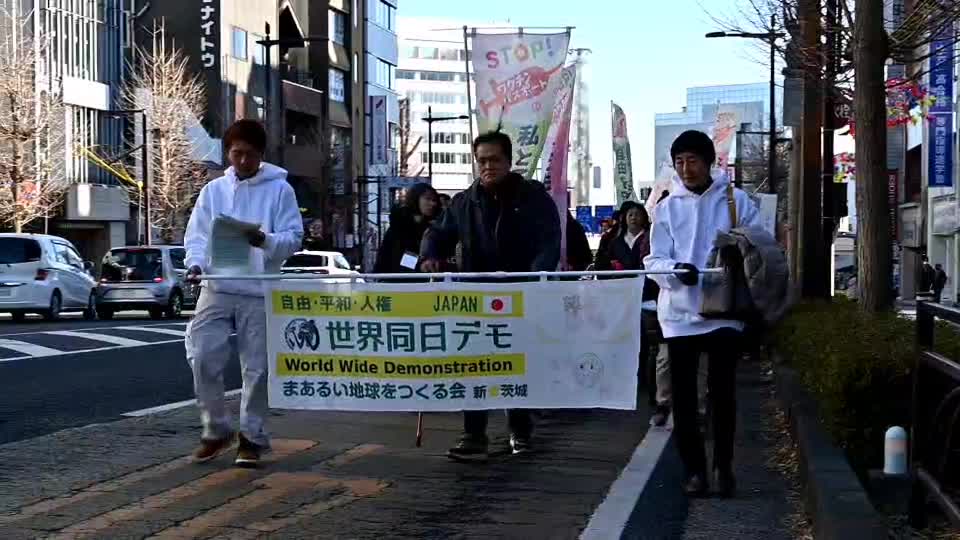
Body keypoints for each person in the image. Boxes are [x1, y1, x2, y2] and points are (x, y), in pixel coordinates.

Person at [420, 131, 561, 461]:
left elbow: (549, 241)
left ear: (509, 162)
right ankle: (474, 434)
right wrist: (429, 256)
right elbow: (437, 233)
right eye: (481, 160)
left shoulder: (533, 197)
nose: (487, 166)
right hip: (475, 297)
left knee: (518, 363)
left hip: (520, 295)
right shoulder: (463, 202)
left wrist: (533, 278)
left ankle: (521, 431)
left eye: (494, 160)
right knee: (474, 365)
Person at [645, 130, 761, 498]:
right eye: (679, 162)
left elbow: (760, 246)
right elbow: (654, 259)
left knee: (723, 393)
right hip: (678, 313)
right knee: (682, 397)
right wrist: (674, 270)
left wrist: (735, 254)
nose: (686, 168)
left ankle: (724, 467)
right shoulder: (666, 207)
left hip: (724, 309)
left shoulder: (737, 200)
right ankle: (694, 470)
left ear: (709, 161)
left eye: (692, 160)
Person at [184, 120, 304, 468]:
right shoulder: (213, 191)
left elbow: (294, 237)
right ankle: (216, 428)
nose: (242, 161)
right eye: (236, 153)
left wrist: (264, 241)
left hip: (259, 288)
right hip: (217, 284)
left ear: (261, 156)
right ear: (227, 153)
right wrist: (194, 264)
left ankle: (252, 436)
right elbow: (196, 235)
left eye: (249, 155)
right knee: (203, 354)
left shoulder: (280, 191)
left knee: (258, 368)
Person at [595, 201, 669, 425]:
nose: (634, 218)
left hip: (648, 299)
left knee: (651, 346)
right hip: (620, 298)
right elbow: (600, 266)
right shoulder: (612, 240)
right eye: (630, 214)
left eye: (638, 214)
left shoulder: (652, 238)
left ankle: (650, 389)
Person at [373, 183, 440, 275]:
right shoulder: (399, 225)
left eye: (434, 200)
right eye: (427, 199)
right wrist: (420, 265)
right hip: (394, 281)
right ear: (415, 199)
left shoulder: (432, 226)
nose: (433, 204)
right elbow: (399, 255)